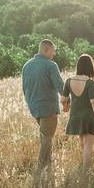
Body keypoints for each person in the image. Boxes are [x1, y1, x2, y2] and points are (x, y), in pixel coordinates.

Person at [21, 39, 65, 171]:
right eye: (53, 51)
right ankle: (40, 169)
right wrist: (70, 100)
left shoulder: (26, 65)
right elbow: (60, 87)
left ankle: (48, 167)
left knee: (45, 136)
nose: (54, 54)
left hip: (34, 107)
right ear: (46, 50)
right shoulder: (51, 65)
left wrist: (31, 103)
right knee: (47, 138)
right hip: (48, 108)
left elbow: (24, 88)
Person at [61, 54, 94, 171]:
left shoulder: (69, 81)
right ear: (89, 67)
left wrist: (66, 106)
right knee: (88, 146)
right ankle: (86, 173)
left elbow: (63, 99)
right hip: (88, 117)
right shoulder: (90, 83)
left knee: (83, 144)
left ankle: (85, 168)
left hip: (75, 117)